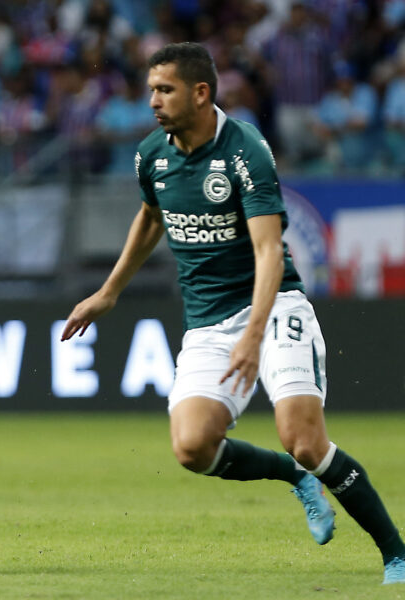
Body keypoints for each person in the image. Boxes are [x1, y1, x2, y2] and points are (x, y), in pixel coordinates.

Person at [61, 42, 405, 585]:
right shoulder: (152, 153)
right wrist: (109, 292)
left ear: (200, 93)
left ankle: (396, 554)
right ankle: (295, 477)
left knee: (305, 438)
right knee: (192, 447)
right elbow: (151, 217)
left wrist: (251, 335)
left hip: (273, 308)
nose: (152, 100)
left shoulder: (246, 151)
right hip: (206, 323)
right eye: (151, 88)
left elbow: (269, 251)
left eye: (164, 89)